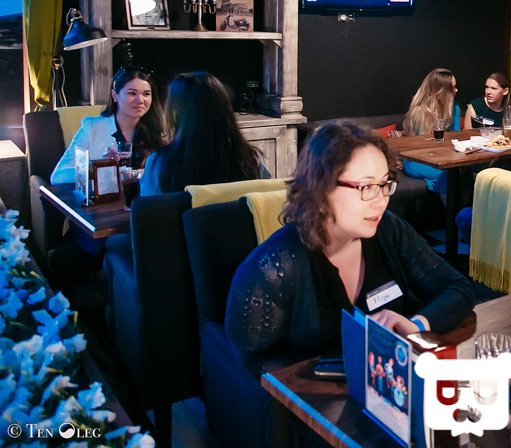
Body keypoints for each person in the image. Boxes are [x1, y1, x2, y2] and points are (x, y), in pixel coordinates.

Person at [225, 121, 474, 373]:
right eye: (366, 187)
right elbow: (249, 365)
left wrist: (417, 325)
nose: (381, 201)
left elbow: (458, 288)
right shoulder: (274, 268)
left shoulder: (388, 230)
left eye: (384, 184)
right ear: (321, 189)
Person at [139, 71, 266, 195]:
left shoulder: (159, 162)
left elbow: (149, 206)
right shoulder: (249, 158)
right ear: (225, 110)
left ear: (175, 113)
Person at [51, 66, 165, 184]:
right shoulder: (92, 127)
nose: (140, 100)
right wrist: (98, 167)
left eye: (146, 94)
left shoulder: (159, 128)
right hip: (109, 195)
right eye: (132, 93)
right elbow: (58, 176)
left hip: (151, 195)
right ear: (114, 95)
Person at [402, 68, 461, 194]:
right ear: (442, 90)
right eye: (453, 87)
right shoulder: (419, 112)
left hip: (445, 158)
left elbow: (457, 137)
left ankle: (438, 190)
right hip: (418, 161)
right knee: (447, 175)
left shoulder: (454, 107)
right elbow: (420, 147)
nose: (456, 90)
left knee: (459, 173)